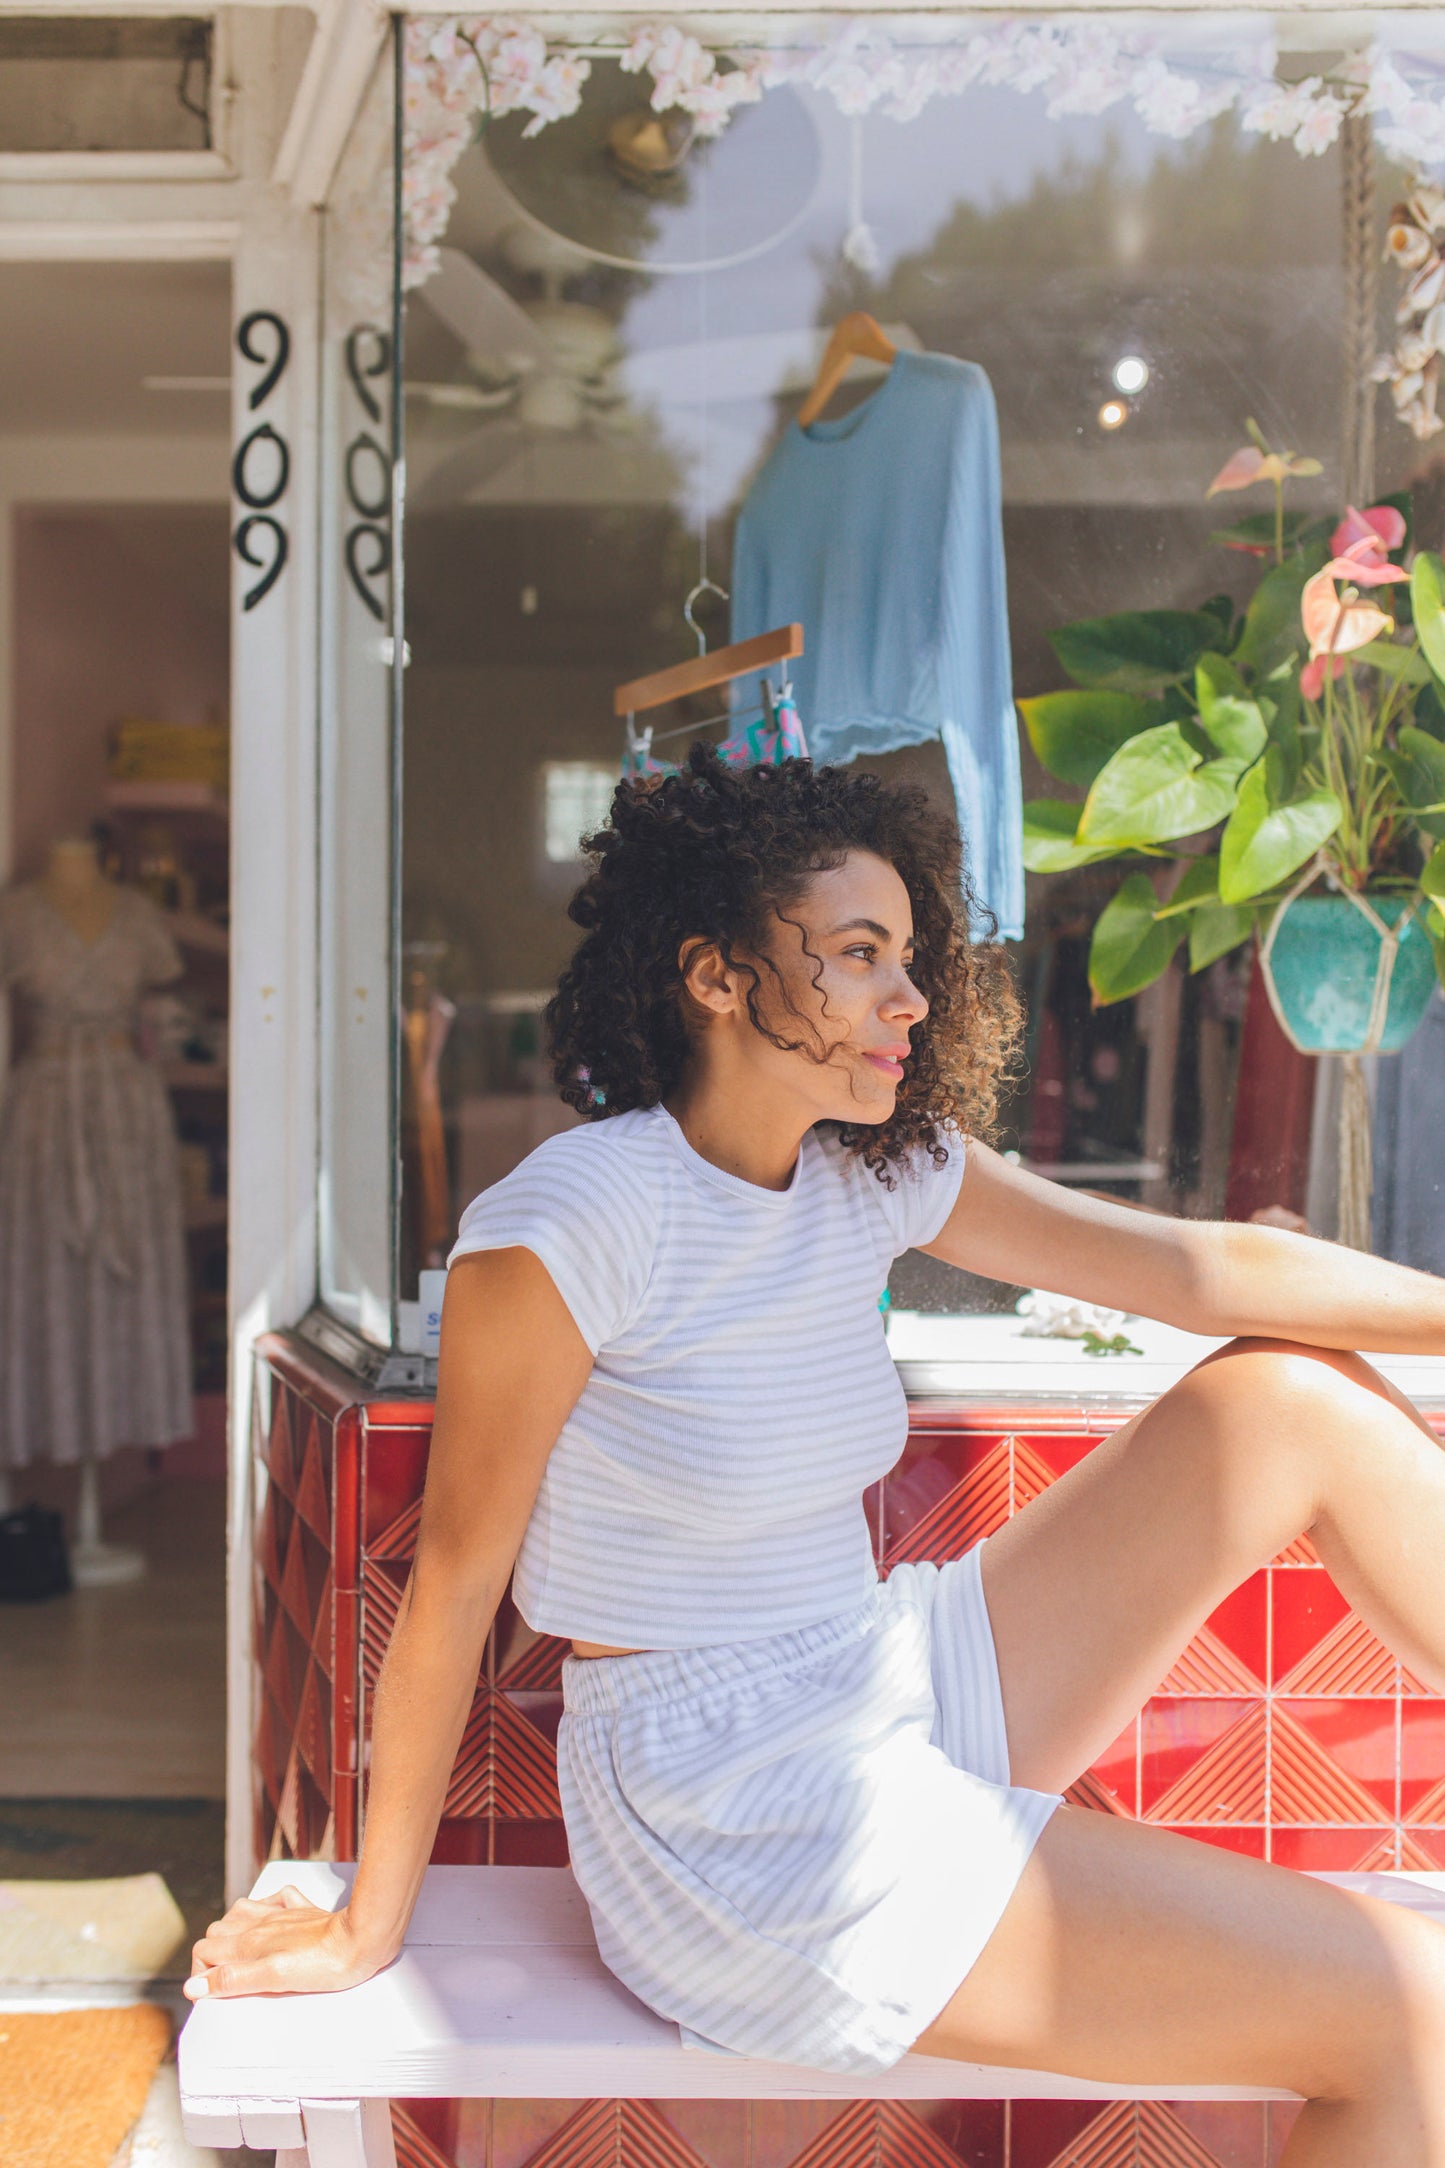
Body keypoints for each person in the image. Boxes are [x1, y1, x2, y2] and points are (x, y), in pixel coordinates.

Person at [190, 749, 1445, 2162]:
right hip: (730, 1811)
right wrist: (369, 1922)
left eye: (908, 955)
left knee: (1278, 1405)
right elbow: (456, 1586)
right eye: (857, 956)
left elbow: (1197, 1276)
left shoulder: (872, 1167)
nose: (909, 998)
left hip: (870, 1674)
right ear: (717, 977)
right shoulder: (577, 1220)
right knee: (1410, 2018)